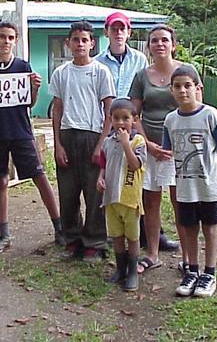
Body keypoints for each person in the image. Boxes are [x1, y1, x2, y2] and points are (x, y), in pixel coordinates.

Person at [0, 21, 64, 254]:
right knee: (0, 180)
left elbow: (29, 102)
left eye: (11, 37)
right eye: (2, 36)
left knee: (39, 175)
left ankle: (59, 227)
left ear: (16, 40)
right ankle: (3, 234)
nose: (6, 41)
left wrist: (34, 88)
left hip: (20, 131)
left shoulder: (23, 66)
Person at [96, 11, 179, 253]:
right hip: (112, 127)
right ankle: (119, 232)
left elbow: (140, 104)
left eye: (123, 29)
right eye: (114, 28)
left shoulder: (141, 61)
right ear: (107, 32)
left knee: (154, 189)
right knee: (121, 180)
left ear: (129, 32)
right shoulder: (98, 62)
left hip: (139, 132)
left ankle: (153, 236)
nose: (119, 33)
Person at [128, 24, 202, 273]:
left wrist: (181, 146)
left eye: (164, 40)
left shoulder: (186, 71)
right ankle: (152, 254)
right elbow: (133, 114)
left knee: (180, 201)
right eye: (154, 41)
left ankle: (188, 257)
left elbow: (197, 110)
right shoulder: (141, 76)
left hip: (179, 150)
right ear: (148, 46)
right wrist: (148, 144)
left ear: (173, 44)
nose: (159, 44)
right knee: (150, 201)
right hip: (150, 148)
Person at [49, 21, 116, 263]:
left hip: (92, 135)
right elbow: (57, 109)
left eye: (84, 40)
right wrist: (57, 143)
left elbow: (109, 109)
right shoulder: (61, 73)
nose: (80, 44)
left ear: (92, 43)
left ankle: (94, 241)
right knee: (68, 192)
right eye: (75, 39)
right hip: (68, 135)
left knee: (93, 192)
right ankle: (72, 238)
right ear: (68, 43)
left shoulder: (100, 72)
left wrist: (101, 144)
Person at [164, 65, 217, 297]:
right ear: (171, 90)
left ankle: (209, 273)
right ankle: (192, 270)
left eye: (187, 86)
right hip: (184, 187)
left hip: (210, 186)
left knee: (210, 228)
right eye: (177, 87)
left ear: (197, 88)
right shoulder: (170, 120)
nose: (183, 91)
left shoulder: (211, 115)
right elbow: (168, 148)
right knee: (189, 228)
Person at [96, 98, 147, 291]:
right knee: (116, 236)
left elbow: (135, 164)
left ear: (134, 119)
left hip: (130, 200)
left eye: (125, 118)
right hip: (111, 199)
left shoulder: (138, 141)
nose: (120, 123)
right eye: (116, 118)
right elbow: (103, 164)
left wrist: (126, 144)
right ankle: (120, 269)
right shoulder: (108, 142)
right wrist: (100, 179)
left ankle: (133, 273)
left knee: (132, 238)